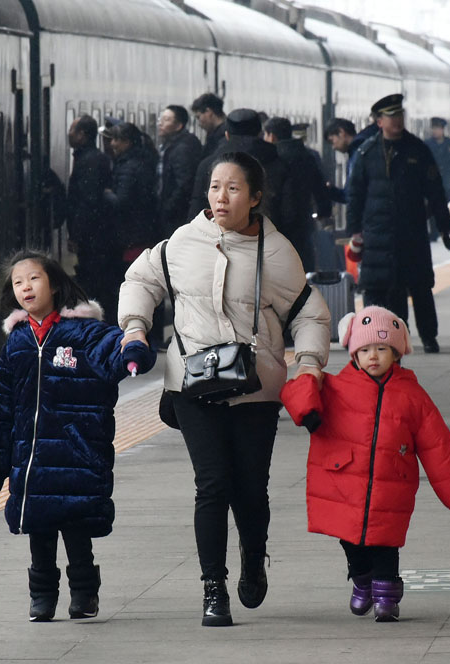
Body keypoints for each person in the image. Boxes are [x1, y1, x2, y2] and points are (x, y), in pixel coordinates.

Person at [118, 151, 331, 627]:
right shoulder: (181, 243)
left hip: (256, 388)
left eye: (233, 188)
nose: (221, 197)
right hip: (193, 384)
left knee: (252, 490)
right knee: (212, 485)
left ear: (255, 197)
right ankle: (213, 588)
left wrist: (310, 366)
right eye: (215, 187)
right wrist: (135, 327)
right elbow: (141, 280)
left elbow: (310, 313)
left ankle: (253, 558)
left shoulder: (277, 253)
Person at [0, 250, 155, 622]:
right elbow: (0, 407)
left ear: (55, 285)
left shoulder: (85, 334)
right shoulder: (17, 343)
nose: (26, 286)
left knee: (77, 531)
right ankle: (41, 597)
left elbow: (117, 348)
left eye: (34, 278)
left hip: (77, 454)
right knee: (38, 533)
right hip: (31, 459)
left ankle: (84, 595)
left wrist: (134, 353)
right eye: (18, 282)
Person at [279, 306, 450, 622]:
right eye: (365, 349)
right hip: (343, 482)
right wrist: (309, 411)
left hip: (391, 485)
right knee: (351, 541)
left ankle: (387, 596)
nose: (374, 356)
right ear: (354, 354)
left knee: (385, 543)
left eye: (382, 349)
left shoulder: (412, 395)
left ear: (397, 353)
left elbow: (438, 448)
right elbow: (296, 388)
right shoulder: (336, 387)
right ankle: (361, 581)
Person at [346, 94, 450, 354]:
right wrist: (354, 231)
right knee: (377, 288)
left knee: (420, 286)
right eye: (391, 117)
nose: (397, 121)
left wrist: (444, 224)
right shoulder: (366, 153)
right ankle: (382, 338)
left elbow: (435, 190)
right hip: (376, 234)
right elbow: (355, 195)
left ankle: (429, 336)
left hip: (412, 232)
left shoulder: (418, 150)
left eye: (400, 116)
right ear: (379, 121)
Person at [189, 108, 287, 224]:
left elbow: (197, 207)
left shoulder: (208, 164)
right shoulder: (279, 163)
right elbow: (288, 209)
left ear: (227, 135)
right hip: (266, 234)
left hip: (217, 236)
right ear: (259, 133)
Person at [263, 116, 332, 272]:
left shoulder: (273, 159)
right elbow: (320, 187)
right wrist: (324, 210)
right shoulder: (307, 156)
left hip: (278, 225)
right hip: (303, 224)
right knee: (303, 269)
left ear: (272, 136)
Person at [64, 115, 115, 322]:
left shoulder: (89, 161)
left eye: (72, 130)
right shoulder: (92, 158)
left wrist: (77, 235)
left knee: (94, 282)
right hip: (98, 235)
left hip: (94, 238)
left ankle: (98, 323)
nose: (69, 134)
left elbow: (87, 202)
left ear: (82, 135)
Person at [103, 122, 159, 281]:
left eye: (116, 139)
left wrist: (106, 193)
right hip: (141, 228)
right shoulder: (140, 161)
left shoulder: (129, 167)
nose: (112, 143)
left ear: (127, 142)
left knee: (134, 275)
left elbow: (122, 201)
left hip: (132, 230)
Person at [157, 105, 203, 238]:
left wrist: (168, 208)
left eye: (166, 120)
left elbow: (184, 183)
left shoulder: (182, 148)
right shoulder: (175, 144)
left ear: (178, 126)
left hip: (177, 215)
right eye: (161, 118)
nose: (160, 123)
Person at [324, 117, 378, 204]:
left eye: (332, 141)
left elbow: (352, 195)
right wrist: (331, 191)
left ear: (341, 132)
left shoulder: (358, 153)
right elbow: (349, 195)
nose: (333, 147)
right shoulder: (355, 152)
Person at [191, 93, 228, 158]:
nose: (199, 124)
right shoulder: (223, 132)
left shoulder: (223, 136)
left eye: (198, 117)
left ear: (208, 112)